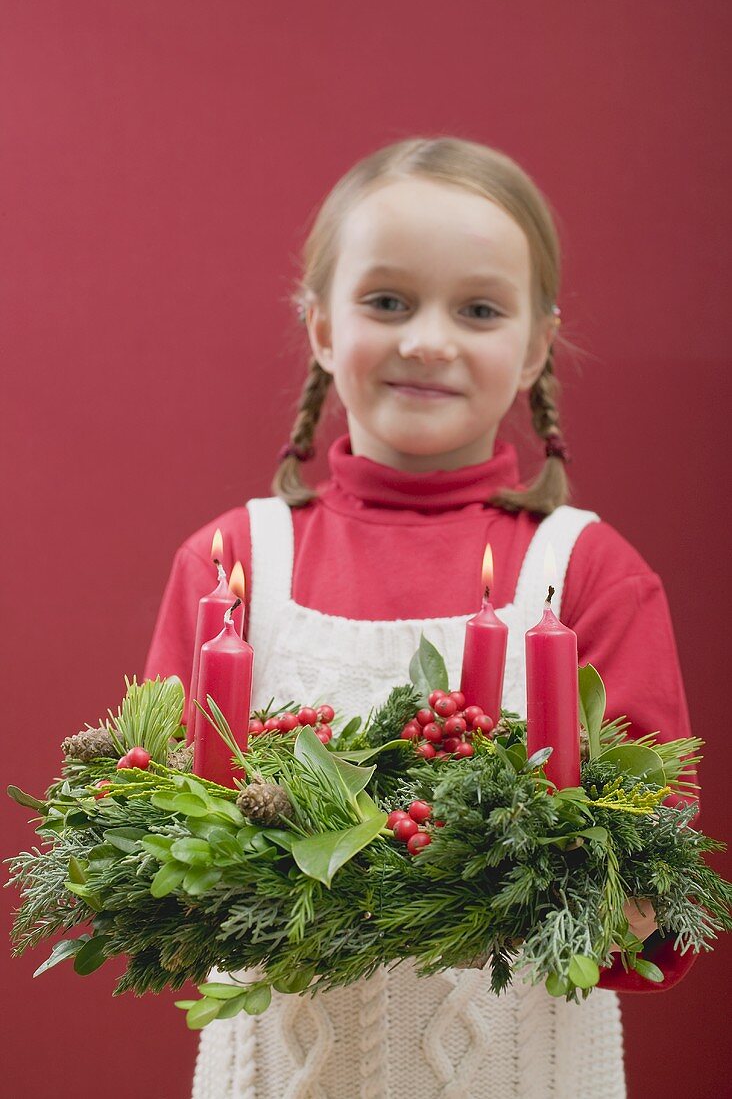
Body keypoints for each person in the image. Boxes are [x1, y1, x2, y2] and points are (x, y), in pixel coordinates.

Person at [144, 136, 698, 1099]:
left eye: (478, 310)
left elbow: (654, 884)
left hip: (526, 1074)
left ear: (534, 345)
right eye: (387, 302)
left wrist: (613, 898)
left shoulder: (590, 574)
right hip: (280, 1074)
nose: (428, 340)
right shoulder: (231, 567)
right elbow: (159, 844)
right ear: (321, 326)